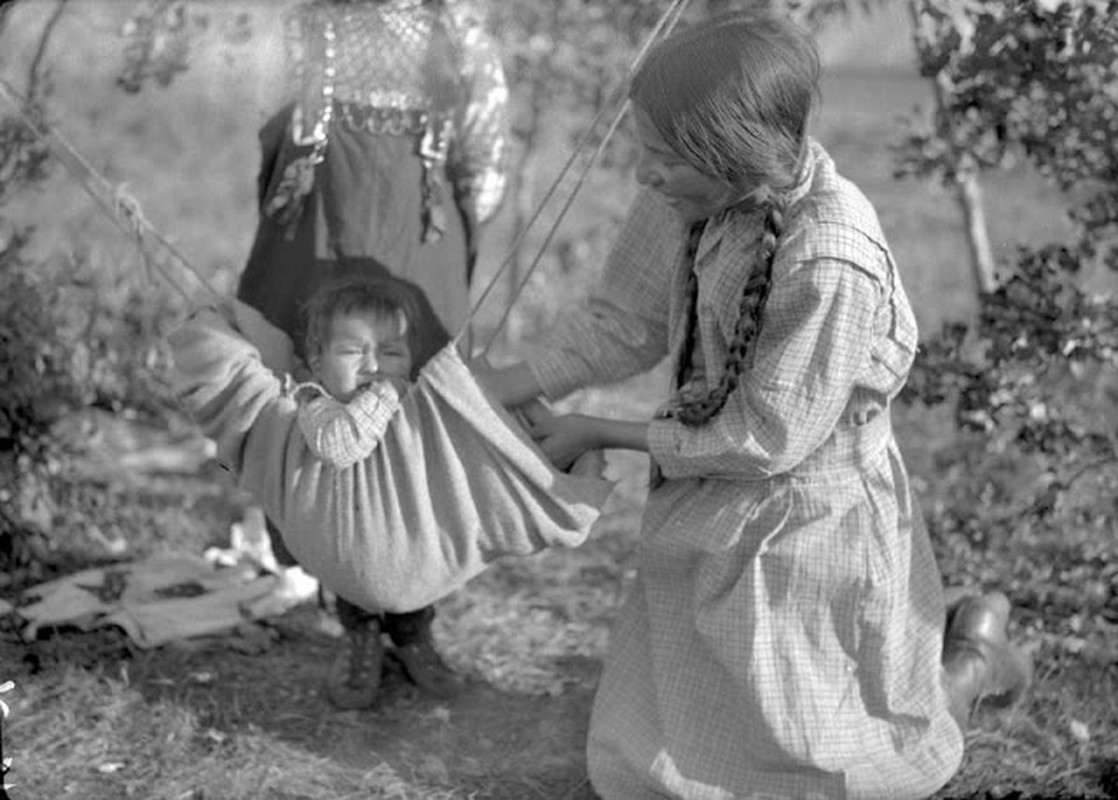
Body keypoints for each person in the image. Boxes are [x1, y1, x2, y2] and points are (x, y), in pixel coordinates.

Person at [476, 11, 1031, 799]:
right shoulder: (693, 192)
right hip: (715, 516)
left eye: (660, 158)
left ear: (729, 151)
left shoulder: (829, 256)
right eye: (643, 151)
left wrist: (595, 429)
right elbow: (621, 321)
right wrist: (498, 386)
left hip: (810, 531)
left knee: (844, 764)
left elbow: (763, 439)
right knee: (680, 757)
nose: (644, 175)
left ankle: (973, 661)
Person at [234, 0, 509, 705]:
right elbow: (271, 136)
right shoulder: (305, 18)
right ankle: (354, 619)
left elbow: (481, 157)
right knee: (321, 426)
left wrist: (462, 262)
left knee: (420, 433)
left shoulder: (456, 25)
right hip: (318, 240)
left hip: (417, 246)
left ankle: (415, 619)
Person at [292, 274, 455, 709]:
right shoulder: (315, 404)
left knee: (414, 590)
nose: (373, 366)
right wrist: (387, 392)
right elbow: (340, 446)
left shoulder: (414, 405)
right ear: (317, 360)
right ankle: (362, 641)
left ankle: (413, 638)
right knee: (355, 594)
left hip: (407, 532)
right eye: (352, 351)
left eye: (391, 352)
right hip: (346, 536)